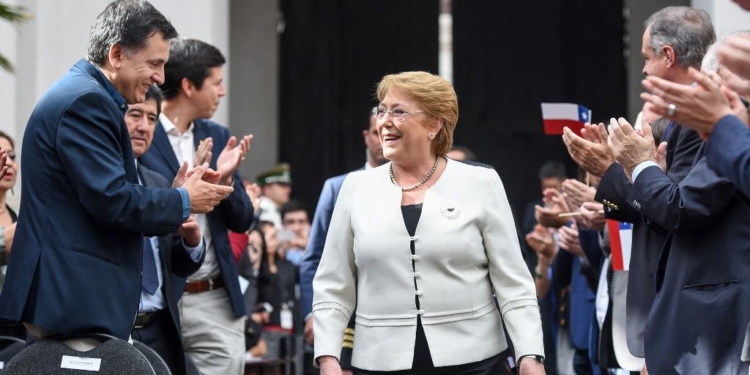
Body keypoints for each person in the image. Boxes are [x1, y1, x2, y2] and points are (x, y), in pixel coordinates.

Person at [0, 0, 232, 342]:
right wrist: (183, 200)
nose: (160, 77)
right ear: (117, 54)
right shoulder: (86, 101)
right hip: (70, 302)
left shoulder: (88, 95)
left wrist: (173, 194)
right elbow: (112, 200)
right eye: (154, 63)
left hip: (75, 301)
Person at [313, 71, 544, 375]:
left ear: (435, 124)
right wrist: (328, 358)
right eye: (381, 110)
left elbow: (513, 283)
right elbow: (333, 285)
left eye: (398, 111)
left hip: (476, 363)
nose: (384, 121)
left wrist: (530, 355)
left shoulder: (481, 182)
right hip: (379, 363)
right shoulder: (355, 188)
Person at [562, 6, 710, 367]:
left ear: (668, 56)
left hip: (685, 304)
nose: (643, 69)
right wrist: (618, 173)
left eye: (646, 58)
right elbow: (657, 201)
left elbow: (675, 211)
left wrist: (616, 170)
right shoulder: (680, 118)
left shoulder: (695, 122)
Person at [139, 38, 254, 375]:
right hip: (158, 300)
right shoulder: (142, 132)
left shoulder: (216, 134)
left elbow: (242, 219)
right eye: (216, 83)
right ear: (189, 86)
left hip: (212, 296)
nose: (222, 92)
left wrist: (225, 178)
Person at [127, 85, 207, 375]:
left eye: (151, 118)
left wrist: (191, 242)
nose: (143, 126)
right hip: (116, 329)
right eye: (135, 114)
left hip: (162, 327)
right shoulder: (103, 185)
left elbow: (177, 264)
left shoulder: (160, 183)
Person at [300, 112, 388, 374]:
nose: (383, 139)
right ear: (366, 136)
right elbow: (314, 257)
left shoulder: (415, 187)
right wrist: (311, 312)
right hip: (349, 316)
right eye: (376, 132)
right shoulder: (339, 187)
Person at [257, 163, 293, 229]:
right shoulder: (261, 210)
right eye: (282, 185)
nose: (288, 190)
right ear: (267, 189)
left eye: (288, 185)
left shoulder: (277, 209)